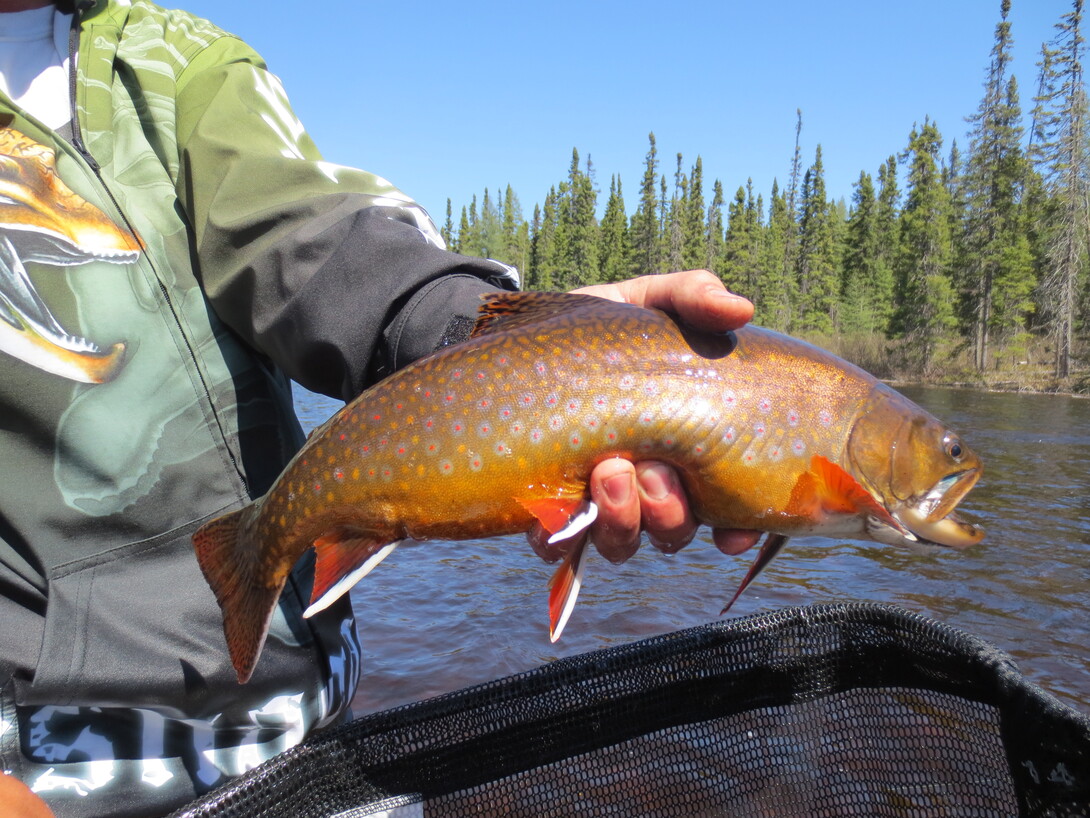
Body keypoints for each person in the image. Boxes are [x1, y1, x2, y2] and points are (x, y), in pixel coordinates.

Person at [0, 0, 756, 815]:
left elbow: (315, 247)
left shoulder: (176, 60)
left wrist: (494, 342)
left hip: (308, 741)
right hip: (48, 770)